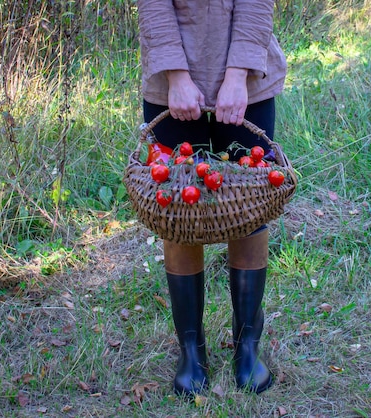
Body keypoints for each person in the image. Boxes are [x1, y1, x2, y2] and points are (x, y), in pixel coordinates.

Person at [137, 0, 287, 396]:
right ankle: (191, 349)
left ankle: (247, 347)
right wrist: (176, 75)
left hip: (246, 78)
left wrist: (238, 76)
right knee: (178, 208)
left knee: (251, 202)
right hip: (170, 83)